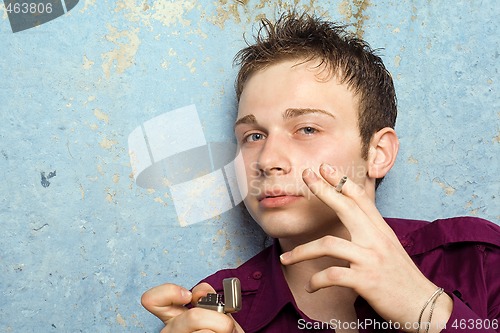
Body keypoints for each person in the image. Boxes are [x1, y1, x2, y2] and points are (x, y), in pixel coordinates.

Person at [141, 11, 500, 333]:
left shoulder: (478, 262)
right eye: (253, 136)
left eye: (307, 129)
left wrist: (430, 311)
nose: (267, 160)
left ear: (378, 153)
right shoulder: (215, 311)